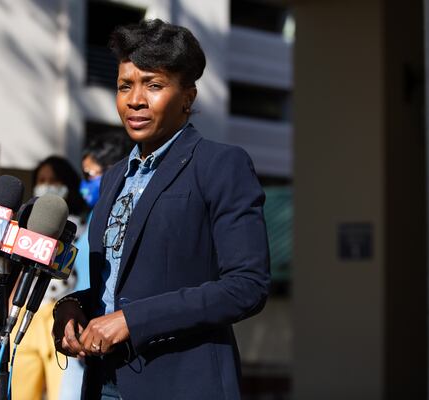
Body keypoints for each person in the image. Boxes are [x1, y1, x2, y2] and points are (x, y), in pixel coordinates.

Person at [52, 19, 270, 400]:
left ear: (188, 96)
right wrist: (71, 307)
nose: (135, 99)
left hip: (182, 383)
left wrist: (133, 321)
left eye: (153, 85)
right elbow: (115, 284)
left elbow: (246, 287)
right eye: (125, 86)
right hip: (102, 383)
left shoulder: (220, 165)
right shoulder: (114, 176)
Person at [59, 134, 131, 400]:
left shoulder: (122, 216)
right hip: (81, 338)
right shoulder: (91, 217)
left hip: (109, 340)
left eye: (91, 175)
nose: (84, 184)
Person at [11, 155, 89, 400]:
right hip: (27, 314)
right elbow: (22, 270)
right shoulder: (30, 225)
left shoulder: (84, 226)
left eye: (53, 180)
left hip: (61, 316)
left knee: (62, 392)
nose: (47, 185)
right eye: (42, 180)